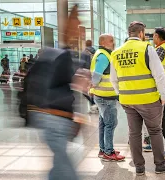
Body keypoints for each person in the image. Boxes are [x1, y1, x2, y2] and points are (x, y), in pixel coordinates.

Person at [26, 5, 87, 180]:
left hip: (51, 118)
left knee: (60, 168)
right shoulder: (60, 55)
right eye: (77, 23)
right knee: (67, 171)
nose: (80, 29)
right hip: (53, 119)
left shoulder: (57, 56)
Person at [110, 21, 165, 176]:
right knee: (155, 130)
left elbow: (114, 79)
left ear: (129, 34)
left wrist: (121, 94)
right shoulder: (147, 48)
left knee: (134, 133)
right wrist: (163, 96)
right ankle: (160, 164)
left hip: (127, 100)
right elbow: (159, 75)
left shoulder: (116, 52)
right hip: (148, 99)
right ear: (141, 34)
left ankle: (139, 167)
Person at [142, 27, 165, 157]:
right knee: (157, 119)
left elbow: (149, 65)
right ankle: (154, 142)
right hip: (163, 90)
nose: (152, 39)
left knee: (163, 120)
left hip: (163, 91)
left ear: (157, 36)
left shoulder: (161, 49)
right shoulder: (164, 47)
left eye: (153, 37)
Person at [90, 34, 125, 161]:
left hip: (103, 95)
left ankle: (103, 149)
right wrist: (93, 85)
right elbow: (96, 75)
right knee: (110, 123)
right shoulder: (103, 56)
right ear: (103, 42)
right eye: (111, 41)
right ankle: (109, 152)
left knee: (104, 123)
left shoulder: (104, 54)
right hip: (105, 96)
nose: (113, 42)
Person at [81, 40, 98, 113]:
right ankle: (95, 104)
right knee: (92, 89)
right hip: (94, 72)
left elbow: (83, 64)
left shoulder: (84, 53)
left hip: (86, 73)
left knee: (84, 91)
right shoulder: (96, 52)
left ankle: (93, 104)